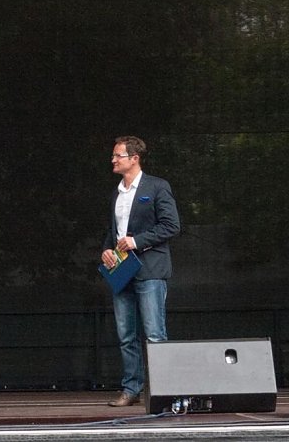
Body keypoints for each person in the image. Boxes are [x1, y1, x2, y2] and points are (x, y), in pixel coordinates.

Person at [100, 135, 181, 407]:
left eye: (118, 155)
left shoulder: (157, 187)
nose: (113, 159)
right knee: (126, 335)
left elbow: (171, 226)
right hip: (122, 270)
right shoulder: (116, 192)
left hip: (150, 268)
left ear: (134, 158)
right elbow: (112, 232)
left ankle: (163, 392)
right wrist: (106, 249)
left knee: (155, 333)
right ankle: (131, 389)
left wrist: (137, 241)